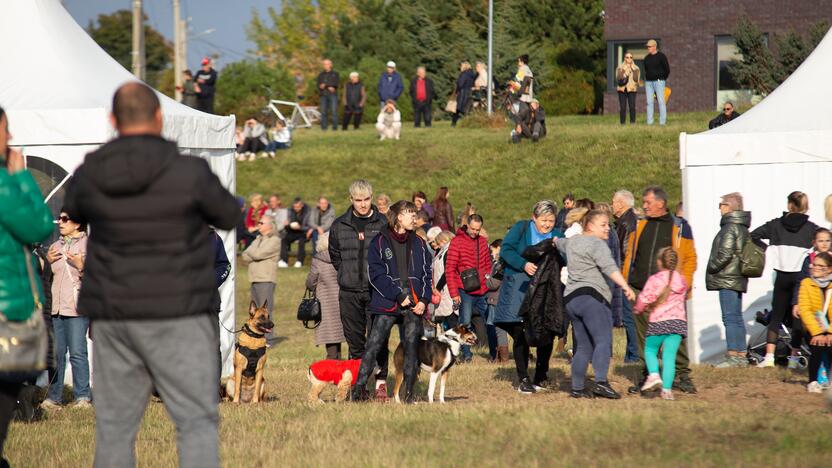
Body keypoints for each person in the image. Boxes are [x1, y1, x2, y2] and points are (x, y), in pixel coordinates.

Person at [62, 83, 239, 467]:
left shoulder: (93, 171)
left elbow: (72, 207)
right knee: (195, 422)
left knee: (115, 429)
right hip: (182, 311)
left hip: (116, 314)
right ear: (160, 119)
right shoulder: (190, 171)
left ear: (113, 121)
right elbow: (229, 214)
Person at [0, 105, 54, 466]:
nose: (11, 140)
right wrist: (21, 179)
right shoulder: (5, 186)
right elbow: (38, 227)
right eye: (5, 131)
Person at [352, 201, 432, 403]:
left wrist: (423, 299)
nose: (415, 218)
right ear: (398, 217)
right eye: (410, 214)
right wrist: (398, 295)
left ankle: (408, 395)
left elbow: (426, 275)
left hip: (414, 305)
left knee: (412, 349)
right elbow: (376, 275)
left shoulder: (421, 244)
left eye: (415, 215)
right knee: (373, 346)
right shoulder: (379, 242)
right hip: (387, 303)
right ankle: (358, 391)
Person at [622, 186, 697, 394]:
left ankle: (683, 376)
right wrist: (626, 281)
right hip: (640, 289)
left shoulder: (680, 227)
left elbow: (690, 258)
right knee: (643, 337)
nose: (644, 206)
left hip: (670, 292)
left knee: (675, 335)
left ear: (660, 203)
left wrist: (684, 283)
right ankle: (648, 375)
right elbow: (630, 254)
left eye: (647, 202)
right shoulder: (640, 225)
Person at [556, 210, 636, 399]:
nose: (608, 228)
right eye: (604, 224)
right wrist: (626, 287)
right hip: (592, 298)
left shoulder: (572, 241)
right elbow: (610, 268)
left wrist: (551, 242)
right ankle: (601, 382)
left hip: (572, 300)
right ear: (590, 226)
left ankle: (577, 388)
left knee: (584, 346)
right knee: (603, 340)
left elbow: (558, 243)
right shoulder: (597, 244)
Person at [494, 200, 564, 394]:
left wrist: (561, 250)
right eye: (544, 220)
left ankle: (541, 375)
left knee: (546, 332)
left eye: (551, 220)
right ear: (534, 217)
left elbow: (565, 257)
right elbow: (506, 250)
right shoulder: (521, 228)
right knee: (520, 333)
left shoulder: (558, 234)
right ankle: (523, 377)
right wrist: (523, 264)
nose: (548, 224)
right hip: (519, 287)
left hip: (546, 290)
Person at [328, 180, 389, 399]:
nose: (363, 204)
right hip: (349, 292)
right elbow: (335, 255)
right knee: (355, 342)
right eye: (358, 200)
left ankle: (381, 383)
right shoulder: (339, 225)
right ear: (350, 200)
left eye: (366, 199)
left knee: (378, 339)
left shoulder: (383, 223)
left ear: (371, 198)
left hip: (377, 292)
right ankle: (359, 386)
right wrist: (346, 273)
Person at [751, 191, 818, 368]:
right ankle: (794, 359)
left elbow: (753, 235)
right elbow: (823, 242)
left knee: (777, 316)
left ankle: (769, 358)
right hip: (800, 277)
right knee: (797, 318)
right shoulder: (811, 228)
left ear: (789, 205)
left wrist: (769, 249)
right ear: (805, 206)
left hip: (781, 274)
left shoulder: (775, 225)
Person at [42, 211, 91, 410]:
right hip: (56, 308)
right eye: (60, 218)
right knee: (56, 354)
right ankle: (54, 398)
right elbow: (47, 278)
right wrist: (47, 262)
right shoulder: (55, 247)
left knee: (78, 352)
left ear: (77, 223)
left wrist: (81, 265)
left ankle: (82, 397)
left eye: (65, 219)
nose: (60, 223)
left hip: (77, 308)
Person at [634, 248, 687, 400]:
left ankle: (654, 375)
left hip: (659, 322)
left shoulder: (655, 279)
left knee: (650, 350)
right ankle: (667, 391)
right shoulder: (681, 280)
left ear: (659, 262)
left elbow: (644, 299)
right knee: (669, 357)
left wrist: (638, 309)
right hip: (678, 323)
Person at [706, 192, 751, 368]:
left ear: (729, 207)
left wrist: (712, 267)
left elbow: (725, 253)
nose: (720, 208)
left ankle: (733, 355)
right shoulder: (741, 226)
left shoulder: (730, 227)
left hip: (727, 278)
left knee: (730, 317)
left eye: (721, 205)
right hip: (737, 277)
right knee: (737, 317)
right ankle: (741, 355)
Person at [445, 214, 492, 363]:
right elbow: (450, 270)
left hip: (483, 290)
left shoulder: (483, 242)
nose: (475, 232)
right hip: (464, 290)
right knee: (465, 323)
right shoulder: (456, 242)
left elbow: (487, 265)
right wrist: (454, 294)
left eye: (478, 229)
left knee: (490, 320)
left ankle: (494, 352)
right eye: (472, 228)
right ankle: (466, 354)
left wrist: (487, 282)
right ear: (467, 225)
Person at [306, 232, 346, 360]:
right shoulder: (344, 257)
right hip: (344, 300)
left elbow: (311, 282)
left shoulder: (318, 260)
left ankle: (332, 369)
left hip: (326, 304)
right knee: (345, 334)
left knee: (331, 336)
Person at [796, 251, 832, 393]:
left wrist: (830, 332)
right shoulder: (806, 283)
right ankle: (813, 381)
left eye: (820, 266)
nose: (815, 268)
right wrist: (817, 333)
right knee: (816, 347)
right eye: (814, 265)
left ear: (829, 269)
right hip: (813, 326)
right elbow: (805, 309)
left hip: (829, 326)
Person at [241, 217, 280, 344]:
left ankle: (269, 339)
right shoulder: (258, 239)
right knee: (256, 313)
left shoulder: (275, 240)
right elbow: (244, 255)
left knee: (266, 313)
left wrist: (252, 253)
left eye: (261, 223)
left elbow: (256, 254)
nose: (258, 224)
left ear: (270, 226)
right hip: (254, 278)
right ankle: (259, 337)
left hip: (266, 279)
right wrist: (253, 253)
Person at [612, 189, 640, 362]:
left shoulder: (626, 224)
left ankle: (634, 355)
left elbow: (624, 253)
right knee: (630, 317)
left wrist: (620, 277)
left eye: (613, 202)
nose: (611, 205)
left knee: (629, 317)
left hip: (626, 275)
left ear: (621, 204)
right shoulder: (628, 221)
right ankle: (630, 354)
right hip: (628, 274)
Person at [485, 239, 510, 362]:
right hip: (502, 299)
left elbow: (493, 284)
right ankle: (500, 357)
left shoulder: (499, 265)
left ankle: (502, 358)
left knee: (499, 330)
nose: (491, 253)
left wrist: (486, 278)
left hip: (496, 300)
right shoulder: (504, 264)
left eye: (492, 250)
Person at [431, 231, 457, 327]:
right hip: (444, 291)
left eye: (439, 243)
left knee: (452, 322)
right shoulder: (443, 251)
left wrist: (437, 288)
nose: (437, 246)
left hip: (448, 291)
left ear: (444, 240)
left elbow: (447, 272)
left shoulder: (449, 251)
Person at [643, 39, 670, 126]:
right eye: (647, 47)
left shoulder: (661, 56)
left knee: (661, 102)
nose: (648, 48)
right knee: (649, 102)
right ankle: (649, 122)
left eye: (649, 46)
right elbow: (646, 70)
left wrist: (662, 79)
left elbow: (667, 70)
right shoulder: (646, 58)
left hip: (659, 82)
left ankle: (662, 122)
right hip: (648, 83)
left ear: (655, 47)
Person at [279, 197, 310, 268]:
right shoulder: (290, 211)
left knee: (301, 241)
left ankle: (299, 261)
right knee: (284, 240)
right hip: (292, 231)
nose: (296, 208)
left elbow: (309, 226)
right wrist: (287, 224)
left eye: (298, 207)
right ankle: (284, 261)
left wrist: (301, 227)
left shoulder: (308, 212)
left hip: (303, 232)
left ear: (302, 205)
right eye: (295, 207)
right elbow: (287, 225)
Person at [616, 53, 640, 125]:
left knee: (632, 107)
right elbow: (618, 78)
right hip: (622, 89)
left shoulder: (636, 68)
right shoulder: (620, 67)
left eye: (630, 57)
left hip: (632, 89)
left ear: (632, 58)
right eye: (627, 57)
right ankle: (622, 123)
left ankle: (632, 122)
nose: (629, 59)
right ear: (624, 58)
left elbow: (636, 80)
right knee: (623, 107)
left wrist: (633, 70)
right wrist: (624, 70)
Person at [317, 59, 339, 131]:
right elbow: (319, 85)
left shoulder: (335, 74)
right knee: (323, 112)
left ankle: (334, 128)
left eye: (327, 64)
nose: (325, 65)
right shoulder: (320, 75)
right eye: (324, 64)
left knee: (334, 111)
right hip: (323, 95)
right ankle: (324, 128)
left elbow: (335, 84)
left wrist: (325, 85)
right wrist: (328, 86)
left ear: (331, 65)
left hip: (333, 95)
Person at [451, 62, 476, 127]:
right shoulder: (472, 74)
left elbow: (460, 84)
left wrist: (457, 89)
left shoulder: (464, 74)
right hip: (469, 92)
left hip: (463, 92)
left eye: (461, 66)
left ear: (464, 67)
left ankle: (453, 124)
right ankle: (466, 123)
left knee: (458, 109)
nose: (460, 67)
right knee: (466, 108)